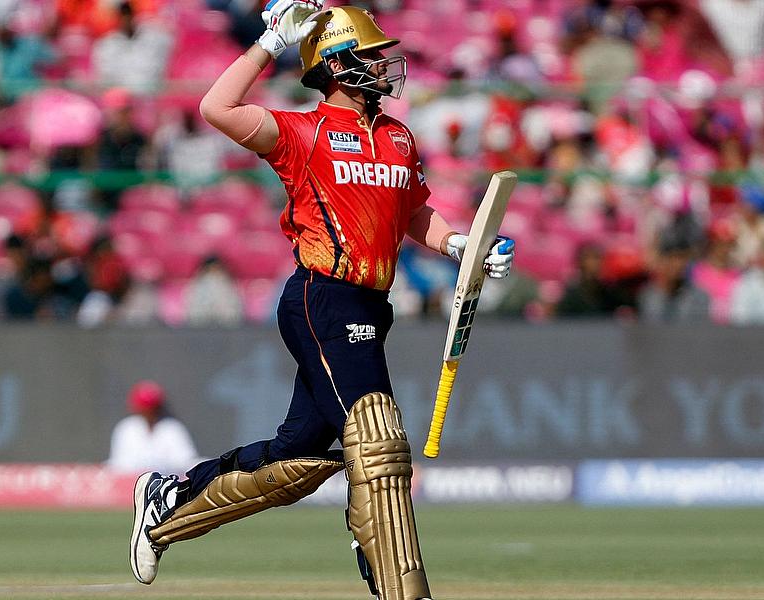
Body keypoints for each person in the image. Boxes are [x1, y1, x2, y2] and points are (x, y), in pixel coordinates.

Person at [128, 4, 516, 600]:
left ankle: (169, 503)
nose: (384, 65)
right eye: (369, 55)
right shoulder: (303, 134)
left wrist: (460, 245)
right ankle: (398, 582)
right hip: (322, 298)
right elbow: (216, 108)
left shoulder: (398, 137)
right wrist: (270, 43)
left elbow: (412, 211)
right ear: (336, 65)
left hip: (371, 307)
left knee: (297, 460)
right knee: (376, 441)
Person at [108, 381, 199, 474]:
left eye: (151, 408)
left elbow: (186, 462)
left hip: (168, 480)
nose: (148, 412)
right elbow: (118, 465)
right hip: (132, 481)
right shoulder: (127, 428)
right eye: (144, 408)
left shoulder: (172, 428)